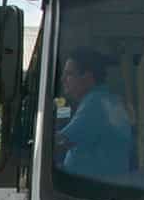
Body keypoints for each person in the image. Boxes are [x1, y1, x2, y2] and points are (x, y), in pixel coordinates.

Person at [56, 48, 131, 178]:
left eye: (69, 74)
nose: (63, 79)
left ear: (87, 77)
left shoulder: (95, 103)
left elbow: (60, 141)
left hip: (90, 190)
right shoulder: (108, 99)